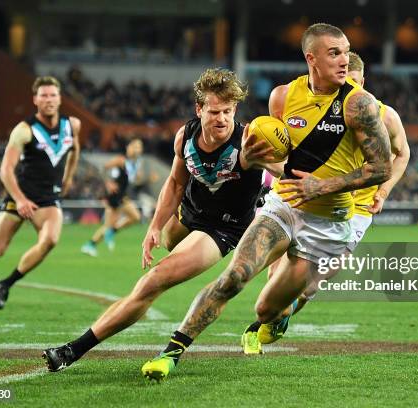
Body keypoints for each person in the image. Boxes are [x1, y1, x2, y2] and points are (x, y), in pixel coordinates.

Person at [141, 23, 392, 381]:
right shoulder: (283, 97)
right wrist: (257, 153)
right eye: (334, 53)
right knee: (234, 278)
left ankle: (280, 314)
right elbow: (283, 151)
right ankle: (170, 353)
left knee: (265, 309)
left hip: (330, 223)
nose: (343, 60)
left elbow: (382, 167)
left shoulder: (360, 104)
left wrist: (322, 187)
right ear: (312, 58)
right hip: (284, 207)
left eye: (345, 51)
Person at [42, 68, 278, 371]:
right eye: (215, 111)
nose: (222, 119)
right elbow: (176, 183)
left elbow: (287, 169)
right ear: (199, 109)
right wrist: (154, 226)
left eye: (229, 112)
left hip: (221, 228)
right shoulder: (186, 135)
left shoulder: (248, 141)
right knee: (168, 242)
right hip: (189, 211)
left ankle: (72, 351)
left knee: (152, 282)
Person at [240, 51, 410, 354]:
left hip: (353, 210)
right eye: (347, 83)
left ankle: (271, 320)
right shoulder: (313, 108)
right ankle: (265, 322)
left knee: (312, 284)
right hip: (300, 198)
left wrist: (382, 192)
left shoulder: (383, 115)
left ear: (364, 82)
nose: (350, 91)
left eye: (356, 84)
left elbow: (402, 154)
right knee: (275, 275)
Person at [0, 76, 81, 310]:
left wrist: (69, 177)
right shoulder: (24, 130)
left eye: (52, 95)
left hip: (48, 199)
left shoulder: (72, 125)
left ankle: (5, 284)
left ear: (60, 99)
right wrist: (20, 199)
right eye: (44, 95)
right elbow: (5, 170)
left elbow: (75, 149)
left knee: (50, 240)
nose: (48, 99)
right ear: (35, 100)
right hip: (20, 195)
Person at [81, 138, 144, 256]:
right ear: (128, 148)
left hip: (123, 196)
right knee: (107, 226)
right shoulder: (121, 160)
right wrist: (108, 183)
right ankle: (90, 245)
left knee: (135, 217)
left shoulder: (136, 163)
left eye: (139, 147)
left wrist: (141, 177)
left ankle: (110, 232)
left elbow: (134, 180)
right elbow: (103, 169)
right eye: (134, 146)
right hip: (114, 196)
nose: (137, 149)